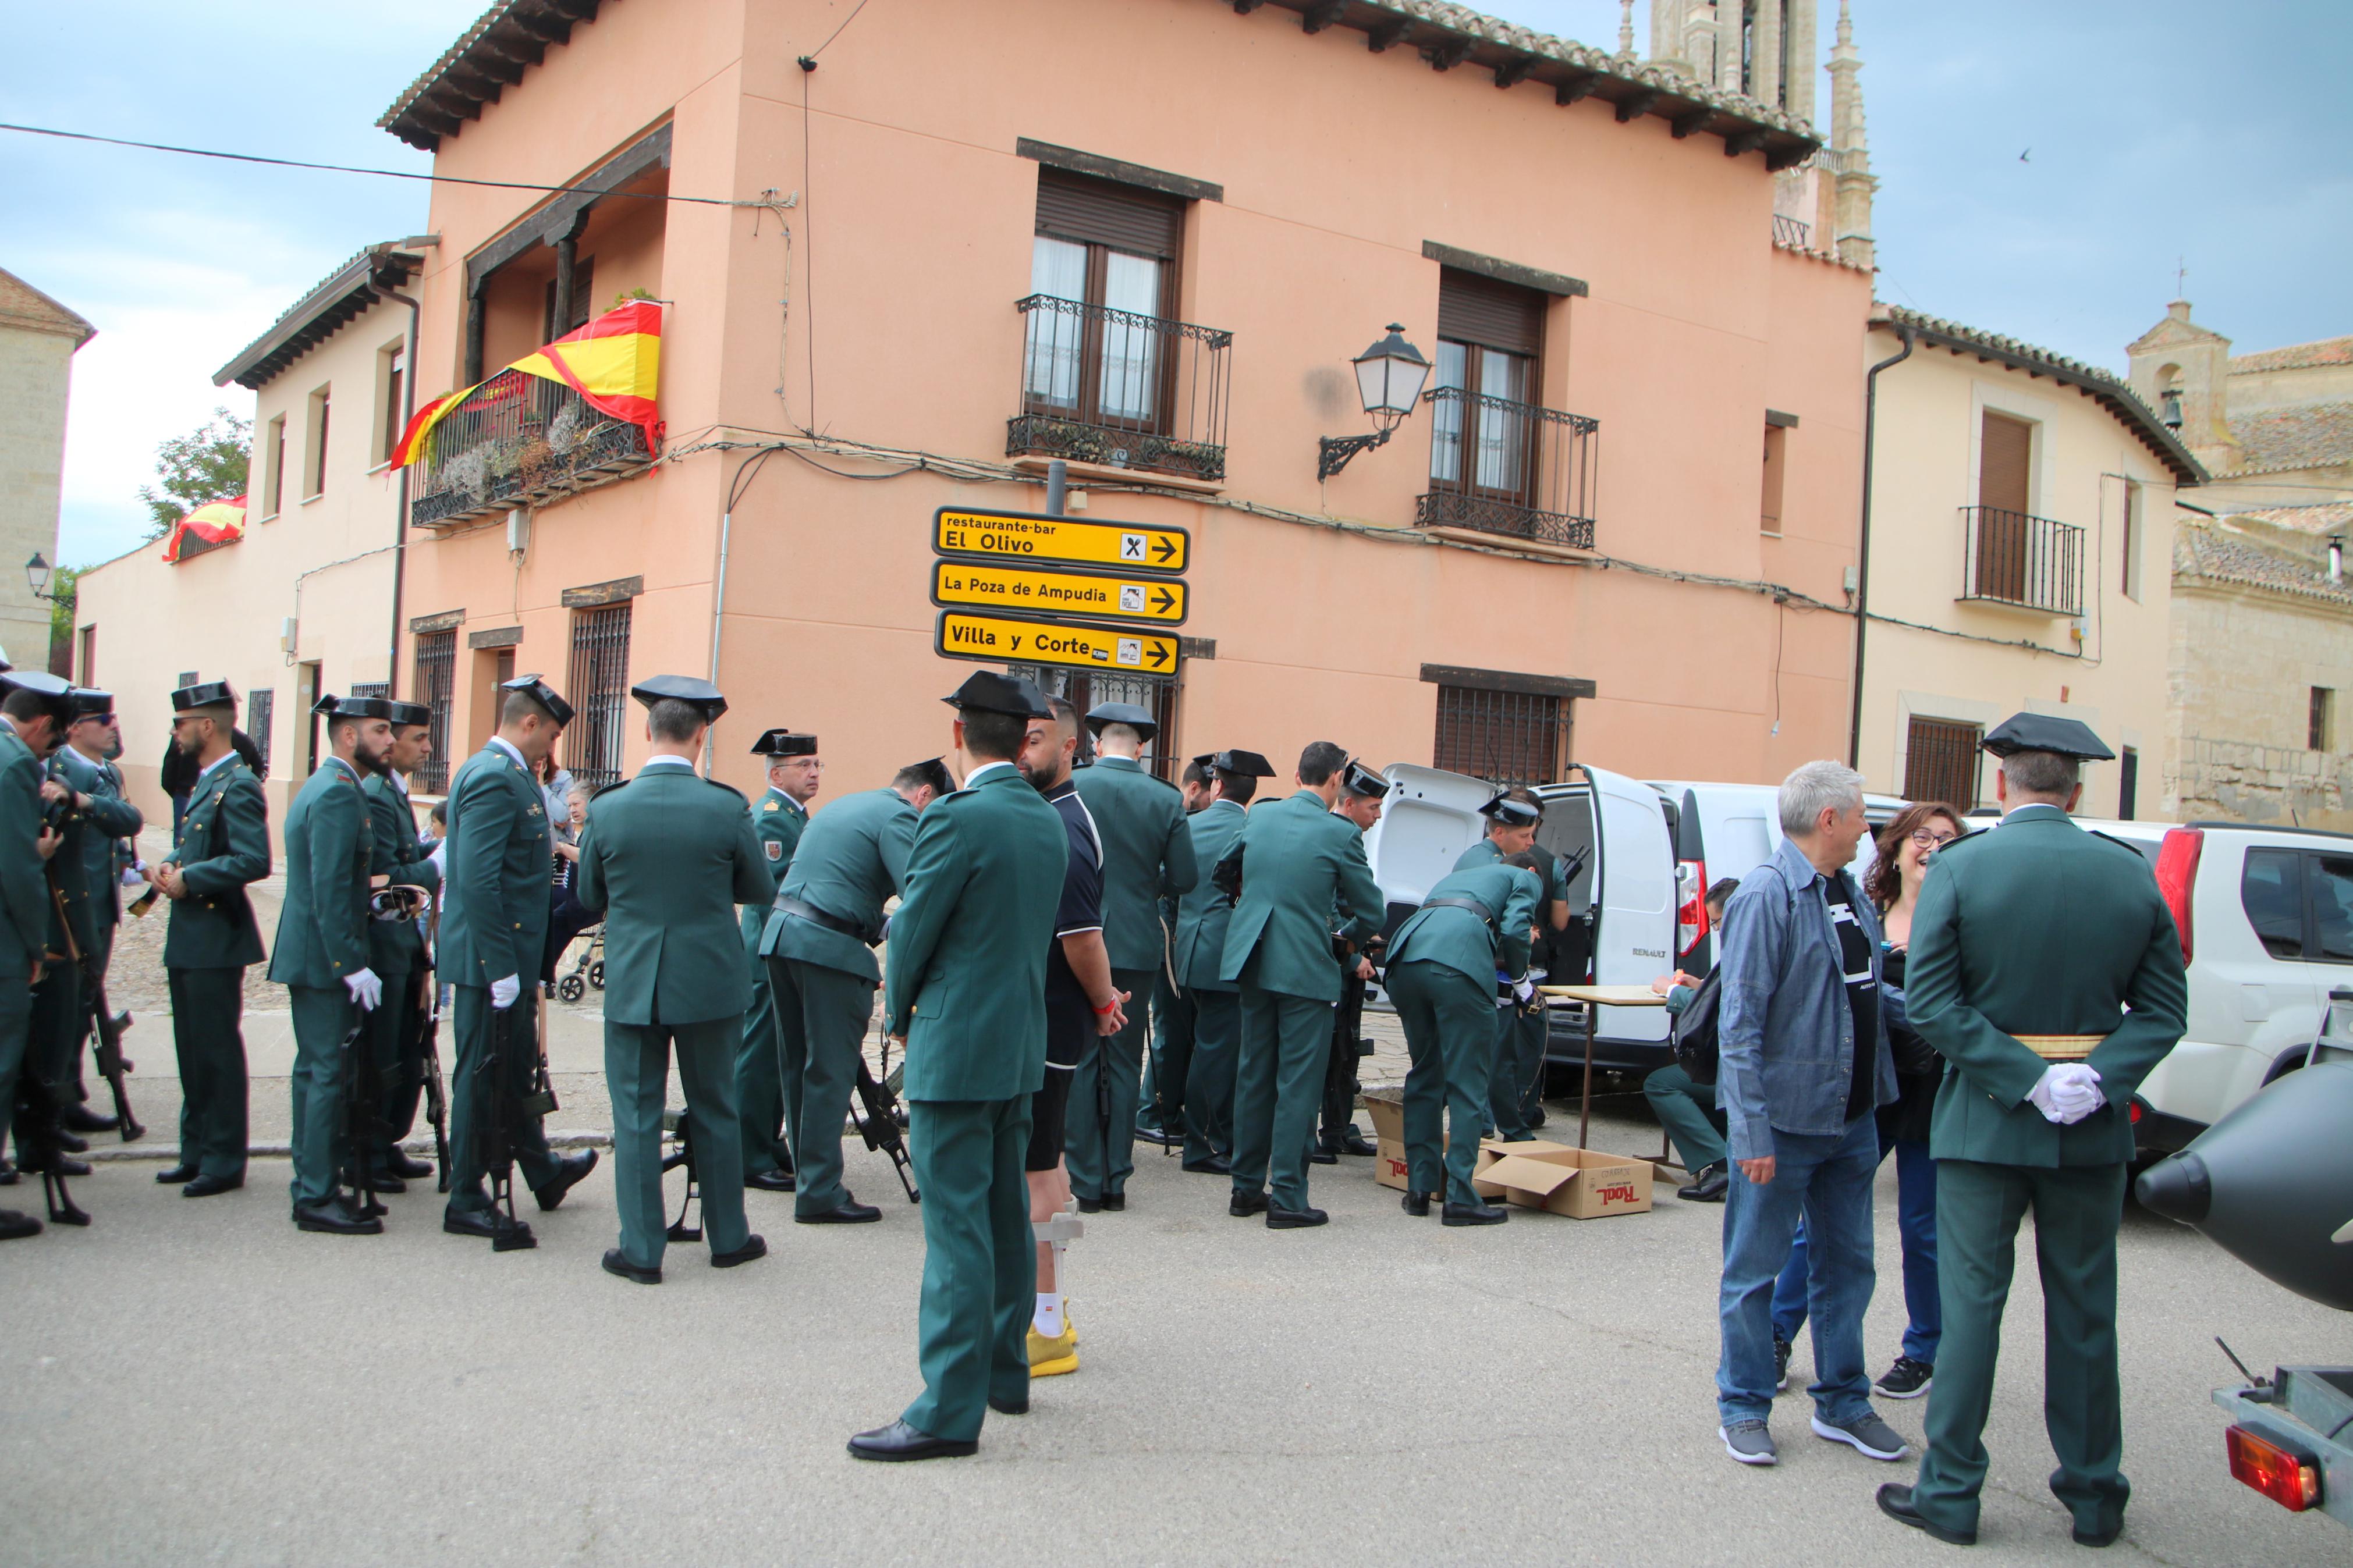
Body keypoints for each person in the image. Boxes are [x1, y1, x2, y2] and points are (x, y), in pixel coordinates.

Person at [1878, 717, 2186, 1550]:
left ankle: (1949, 1491)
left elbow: (1934, 1003)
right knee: (2085, 1310)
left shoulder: (1963, 867)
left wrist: (2024, 1078)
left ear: (2003, 785)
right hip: (2088, 1128)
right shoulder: (2127, 873)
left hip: (1985, 1119)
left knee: (1971, 1307)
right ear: (2075, 789)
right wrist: (2095, 1076)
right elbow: (2163, 1008)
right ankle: (2093, 1496)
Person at [850, 670, 1064, 1462]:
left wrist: (900, 1013)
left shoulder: (954, 816)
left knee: (954, 1229)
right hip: (1015, 1040)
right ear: (1023, 740)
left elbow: (912, 935)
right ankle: (1005, 1371)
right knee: (1005, 1212)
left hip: (956, 1041)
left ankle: (944, 1407)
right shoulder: (1043, 818)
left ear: (956, 737)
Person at [1713, 760, 1906, 1469]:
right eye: (1859, 815)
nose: (1867, 829)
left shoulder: (1846, 891)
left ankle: (1843, 1403)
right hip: (1785, 1127)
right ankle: (1741, 1405)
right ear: (1827, 819)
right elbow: (1739, 1025)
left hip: (1852, 1123)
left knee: (1847, 1267)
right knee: (1753, 1271)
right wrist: (1751, 1130)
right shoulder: (1768, 895)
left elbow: (1866, 999)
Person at [576, 675, 775, 1284]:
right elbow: (757, 888)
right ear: (701, 734)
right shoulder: (724, 805)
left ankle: (641, 1250)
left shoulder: (608, 807)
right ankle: (728, 1237)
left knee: (635, 1114)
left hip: (635, 978)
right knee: (716, 1105)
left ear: (645, 731)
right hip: (709, 978)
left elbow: (587, 895)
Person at [1772, 805, 1960, 1397]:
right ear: (1898, 848)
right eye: (1921, 836)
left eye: (1947, 839)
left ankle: (1923, 1349)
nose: (1931, 847)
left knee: (1922, 1226)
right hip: (1869, 1082)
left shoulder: (1964, 918)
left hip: (1934, 1090)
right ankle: (1778, 1333)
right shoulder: (1862, 910)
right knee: (1818, 1224)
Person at [439, 674, 598, 1249]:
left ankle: (541, 1170)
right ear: (528, 723)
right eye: (549, 735)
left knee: (514, 1067)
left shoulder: (512, 777)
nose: (550, 750)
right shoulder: (491, 777)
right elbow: (477, 881)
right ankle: (466, 1196)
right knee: (482, 1075)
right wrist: (500, 966)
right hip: (491, 960)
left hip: (509, 955)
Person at [759, 757, 943, 1225]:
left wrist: (885, 925)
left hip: (783, 936)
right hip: (827, 949)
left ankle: (808, 1176)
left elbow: (844, 890)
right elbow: (919, 896)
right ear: (923, 795)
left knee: (797, 1063)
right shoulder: (901, 816)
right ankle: (819, 1191)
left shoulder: (850, 805)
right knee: (829, 1069)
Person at [1216, 740, 1384, 1229]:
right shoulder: (1339, 833)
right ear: (1336, 780)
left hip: (1252, 956)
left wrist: (1247, 908)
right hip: (1305, 967)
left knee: (1253, 1075)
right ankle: (1288, 1195)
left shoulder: (1261, 815)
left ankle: (1245, 1188)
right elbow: (1370, 911)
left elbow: (1221, 870)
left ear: (1296, 776)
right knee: (1297, 1084)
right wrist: (1344, 941)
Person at [1017, 696, 1126, 1376]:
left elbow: (1083, 935)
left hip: (1054, 1018)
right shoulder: (1046, 814)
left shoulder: (1065, 821)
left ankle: (1045, 1323)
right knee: (1046, 1163)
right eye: (1020, 738)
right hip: (1048, 1014)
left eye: (1037, 738)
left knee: (1038, 1171)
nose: (1025, 750)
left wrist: (1104, 998)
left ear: (1069, 745)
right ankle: (1046, 1313)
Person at [269, 694, 397, 1235]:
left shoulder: (327, 786)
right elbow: (328, 886)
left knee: (314, 1073)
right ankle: (317, 1195)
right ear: (350, 736)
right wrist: (349, 961)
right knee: (326, 1075)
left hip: (314, 954)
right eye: (381, 730)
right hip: (324, 960)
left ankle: (313, 1184)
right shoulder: (340, 793)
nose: (390, 740)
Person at [1067, 701, 1195, 1211]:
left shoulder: (1072, 785)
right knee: (1122, 1058)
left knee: (1078, 1057)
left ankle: (1082, 1177)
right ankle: (1116, 1179)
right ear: (1141, 749)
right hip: (1137, 942)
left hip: (1074, 937)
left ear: (1097, 744)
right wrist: (1145, 887)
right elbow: (1184, 878)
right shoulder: (1164, 798)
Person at [145, 680, 269, 1204]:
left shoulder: (237, 783)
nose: (175, 733)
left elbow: (252, 859)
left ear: (207, 725)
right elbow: (200, 840)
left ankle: (223, 1157)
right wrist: (176, 859)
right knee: (192, 1049)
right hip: (192, 935)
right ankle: (196, 1149)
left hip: (217, 935)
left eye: (180, 724)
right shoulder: (208, 780)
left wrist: (192, 879)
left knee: (216, 1050)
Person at [1383, 845, 1543, 1224]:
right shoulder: (1526, 877)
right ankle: (1460, 1197)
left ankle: (1419, 1189)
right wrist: (1520, 981)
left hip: (1404, 958)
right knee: (1467, 1081)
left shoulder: (1463, 876)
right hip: (1457, 963)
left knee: (1425, 1074)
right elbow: (1516, 929)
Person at [36, 690, 143, 1140]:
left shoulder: (108, 771)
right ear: (75, 727)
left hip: (101, 904)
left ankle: (72, 1092)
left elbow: (130, 819)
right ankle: (53, 1103)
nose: (113, 725)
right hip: (65, 908)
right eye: (103, 719)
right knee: (62, 1009)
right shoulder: (55, 770)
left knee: (84, 1008)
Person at [1166, 750, 1270, 1174]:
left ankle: (1198, 1133)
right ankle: (1206, 1144)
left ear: (1217, 785)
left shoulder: (1189, 825)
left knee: (1196, 1045)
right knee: (1217, 1051)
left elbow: (1169, 881)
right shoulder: (1251, 829)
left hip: (1188, 948)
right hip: (1228, 953)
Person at [1454, 788, 1569, 1140]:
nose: (1531, 842)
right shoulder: (1488, 862)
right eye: (1524, 835)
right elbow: (1507, 928)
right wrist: (1521, 980)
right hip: (1483, 972)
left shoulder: (1489, 857)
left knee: (1489, 1057)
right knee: (1491, 1058)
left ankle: (1489, 1127)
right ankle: (1487, 1129)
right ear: (1499, 832)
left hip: (1475, 968)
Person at [361, 701, 441, 1190]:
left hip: (404, 943)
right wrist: (438, 865)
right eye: (419, 738)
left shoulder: (393, 789)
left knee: (405, 1048)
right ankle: (367, 1150)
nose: (427, 747)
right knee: (382, 1052)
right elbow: (384, 878)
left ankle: (386, 1142)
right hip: (385, 942)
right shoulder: (374, 793)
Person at [0, 671, 68, 1239]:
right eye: (52, 745)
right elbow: (18, 871)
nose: (48, 757)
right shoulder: (15, 762)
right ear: (41, 726)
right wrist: (35, 944)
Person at [738, 728, 818, 1194]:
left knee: (778, 1050)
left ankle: (766, 1141)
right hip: (770, 947)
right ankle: (747, 1152)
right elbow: (775, 891)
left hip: (783, 946)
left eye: (816, 765)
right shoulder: (771, 816)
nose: (813, 773)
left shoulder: (793, 815)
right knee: (760, 1053)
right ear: (776, 774)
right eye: (803, 766)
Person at [1642, 877, 1741, 1202]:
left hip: (1739, 1071)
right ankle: (1730, 1157)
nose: (1715, 930)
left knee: (1661, 1083)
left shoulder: (1743, 947)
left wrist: (1671, 991)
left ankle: (1720, 1164)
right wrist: (1702, 987)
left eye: (1716, 922)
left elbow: (1730, 1006)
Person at [1137, 758, 1217, 1151]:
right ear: (1193, 790)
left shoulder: (1178, 813)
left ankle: (1168, 1108)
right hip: (1165, 923)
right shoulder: (1170, 812)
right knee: (1169, 1019)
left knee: (1180, 1020)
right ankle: (1151, 1113)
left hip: (1178, 925)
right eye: (1207, 795)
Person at [1314, 759, 1388, 1163]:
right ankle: (1329, 1130)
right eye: (1373, 807)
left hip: (1345, 955)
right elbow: (1331, 906)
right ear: (1349, 803)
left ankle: (1339, 1128)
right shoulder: (1342, 835)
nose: (1377, 816)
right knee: (1333, 1048)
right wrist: (1355, 953)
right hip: (1336, 960)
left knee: (1346, 1047)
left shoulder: (1346, 833)